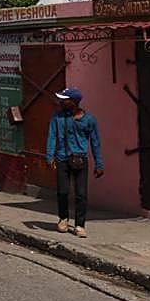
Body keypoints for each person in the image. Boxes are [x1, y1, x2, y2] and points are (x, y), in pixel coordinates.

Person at [46, 87, 104, 238]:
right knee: (63, 191)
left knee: (81, 194)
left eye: (64, 100)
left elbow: (95, 142)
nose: (61, 102)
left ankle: (80, 225)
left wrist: (99, 163)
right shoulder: (57, 118)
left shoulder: (89, 120)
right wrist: (50, 156)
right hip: (62, 159)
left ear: (74, 102)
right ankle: (63, 218)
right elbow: (52, 136)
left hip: (80, 160)